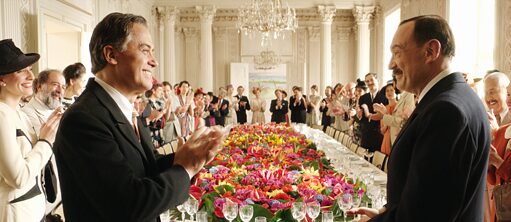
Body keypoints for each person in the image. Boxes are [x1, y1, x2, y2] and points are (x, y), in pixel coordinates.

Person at [53, 13, 225, 222]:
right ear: (112, 55)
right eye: (145, 50)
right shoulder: (83, 119)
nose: (154, 61)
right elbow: (128, 204)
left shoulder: (123, 108)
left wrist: (191, 157)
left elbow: (143, 170)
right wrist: (184, 168)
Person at [350, 15, 490, 221]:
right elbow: (431, 193)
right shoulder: (450, 97)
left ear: (431, 51)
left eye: (397, 53)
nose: (390, 64)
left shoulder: (446, 110)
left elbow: (424, 215)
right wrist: (386, 212)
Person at [0, 38, 62, 222]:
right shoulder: (1, 114)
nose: (31, 76)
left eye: (29, 69)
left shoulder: (17, 112)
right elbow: (17, 178)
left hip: (34, 211)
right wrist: (44, 142)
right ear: (1, 79)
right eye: (21, 70)